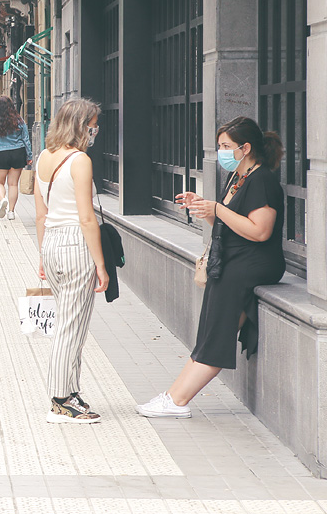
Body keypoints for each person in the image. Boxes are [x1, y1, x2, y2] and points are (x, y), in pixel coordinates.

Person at [137, 117, 287, 420]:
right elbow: (228, 226)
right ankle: (173, 396)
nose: (221, 152)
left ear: (245, 148)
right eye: (219, 146)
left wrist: (217, 209)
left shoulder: (262, 180)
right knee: (208, 332)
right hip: (230, 262)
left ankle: (177, 400)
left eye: (226, 146)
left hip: (250, 266)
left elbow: (260, 231)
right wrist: (204, 208)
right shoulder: (238, 178)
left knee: (218, 333)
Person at [33, 98, 109, 424]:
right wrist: (101, 265)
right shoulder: (79, 160)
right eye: (93, 124)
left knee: (70, 323)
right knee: (71, 326)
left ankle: (70, 391)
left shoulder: (44, 158)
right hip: (75, 245)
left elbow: (40, 215)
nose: (96, 131)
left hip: (51, 243)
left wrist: (42, 254)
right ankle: (61, 401)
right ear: (82, 125)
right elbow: (87, 218)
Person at [0, 96, 32, 220]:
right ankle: (11, 212)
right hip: (17, 152)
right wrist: (29, 156)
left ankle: (3, 199)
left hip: (0, 153)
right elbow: (26, 139)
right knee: (13, 184)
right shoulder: (19, 121)